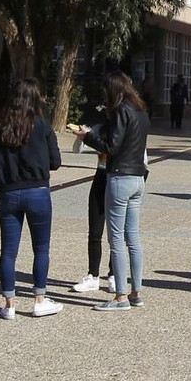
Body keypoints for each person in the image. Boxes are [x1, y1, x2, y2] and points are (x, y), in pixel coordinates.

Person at [0, 77, 63, 320]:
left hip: (8, 193)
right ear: (35, 99)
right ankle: (39, 299)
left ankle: (9, 304)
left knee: (8, 251)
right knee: (41, 248)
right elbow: (55, 162)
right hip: (38, 192)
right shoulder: (42, 125)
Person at [74, 72, 151, 312]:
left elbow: (111, 147)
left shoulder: (121, 111)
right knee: (133, 238)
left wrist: (87, 137)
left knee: (116, 239)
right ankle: (136, 291)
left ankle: (120, 297)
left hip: (120, 176)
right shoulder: (141, 111)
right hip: (138, 177)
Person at [71, 96, 114, 295]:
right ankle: (93, 275)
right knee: (95, 230)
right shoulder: (100, 122)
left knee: (117, 232)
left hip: (119, 178)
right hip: (101, 175)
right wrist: (81, 136)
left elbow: (142, 156)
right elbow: (77, 150)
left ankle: (114, 274)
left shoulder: (129, 122)